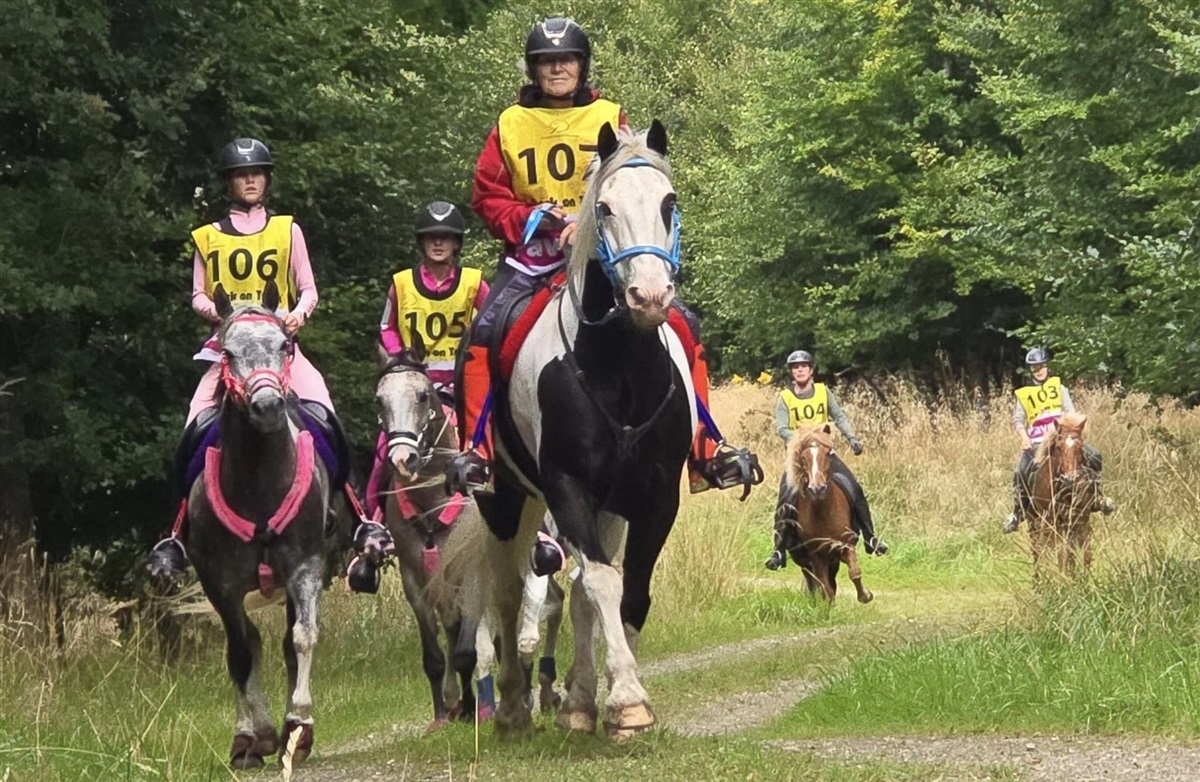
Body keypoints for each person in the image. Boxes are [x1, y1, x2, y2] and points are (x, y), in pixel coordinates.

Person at [446, 16, 756, 497]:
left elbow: (633, 181)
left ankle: (705, 449)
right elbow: (488, 196)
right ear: (533, 69)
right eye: (547, 62)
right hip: (534, 259)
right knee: (483, 334)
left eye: (566, 60)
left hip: (605, 257)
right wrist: (537, 219)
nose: (557, 69)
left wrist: (592, 227)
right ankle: (478, 453)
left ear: (582, 65)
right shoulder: (509, 125)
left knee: (685, 326)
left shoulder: (610, 116)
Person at [146, 138, 393, 588]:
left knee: (325, 414)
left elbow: (308, 289)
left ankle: (361, 520)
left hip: (280, 349)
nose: (250, 181)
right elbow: (198, 294)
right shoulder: (208, 236)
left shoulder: (287, 231)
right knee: (195, 427)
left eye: (256, 174)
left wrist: (296, 315)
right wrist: (224, 315)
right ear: (229, 183)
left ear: (266, 180)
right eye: (242, 175)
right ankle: (175, 536)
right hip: (231, 352)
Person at [366, 200, 488, 520]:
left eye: (446, 237)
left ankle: (519, 522)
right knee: (384, 452)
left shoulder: (474, 283)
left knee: (493, 440)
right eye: (431, 236)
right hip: (413, 382)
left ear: (456, 243)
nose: (438, 243)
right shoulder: (401, 284)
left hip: (461, 385)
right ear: (421, 242)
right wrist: (402, 360)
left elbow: (492, 321)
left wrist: (475, 358)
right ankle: (373, 522)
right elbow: (386, 327)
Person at [764, 350, 888, 571]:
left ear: (811, 370)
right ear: (792, 373)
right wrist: (804, 438)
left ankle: (870, 538)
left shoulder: (823, 392)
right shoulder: (785, 398)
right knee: (786, 496)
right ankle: (778, 550)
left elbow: (838, 416)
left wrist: (852, 438)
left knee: (853, 487)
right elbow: (782, 428)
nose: (800, 370)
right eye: (795, 367)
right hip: (799, 457)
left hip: (824, 454)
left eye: (803, 366)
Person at [1002, 347, 1115, 533]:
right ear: (1031, 370)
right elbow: (1018, 420)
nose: (1039, 370)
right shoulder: (1024, 394)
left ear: (1047, 367)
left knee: (1095, 455)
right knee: (1020, 471)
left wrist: (1071, 431)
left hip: (1061, 438)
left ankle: (1098, 497)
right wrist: (1024, 438)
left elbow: (1070, 412)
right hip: (1037, 442)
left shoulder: (1060, 388)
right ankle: (1017, 513)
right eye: (1035, 367)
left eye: (1042, 366)